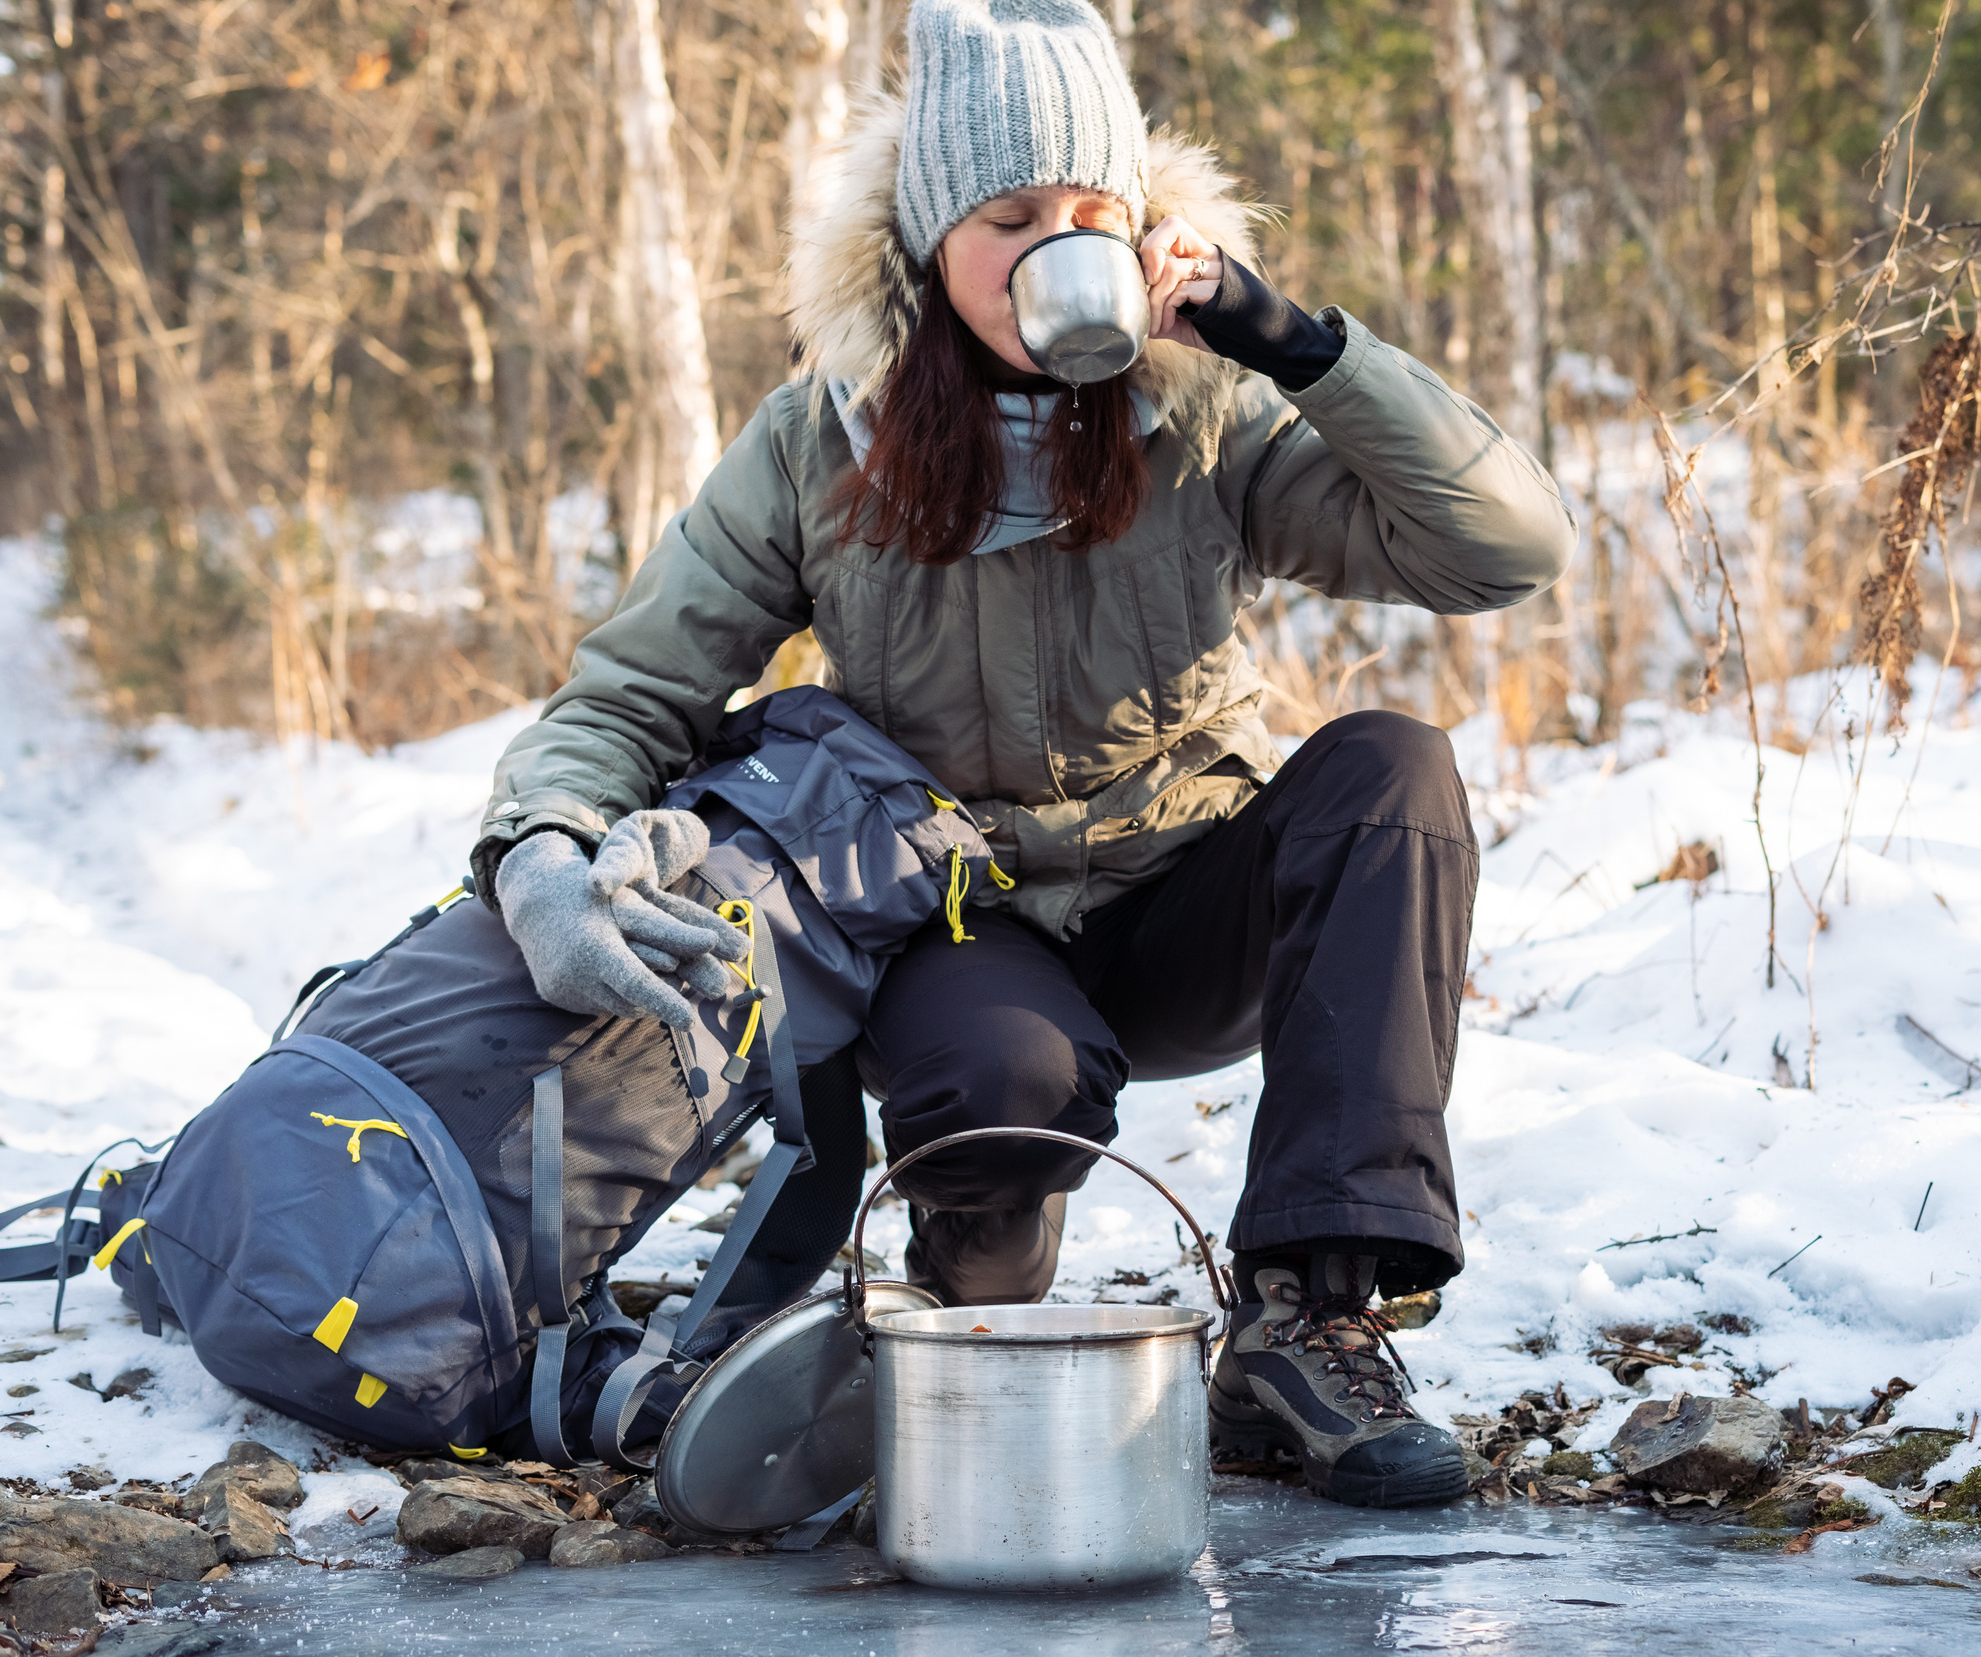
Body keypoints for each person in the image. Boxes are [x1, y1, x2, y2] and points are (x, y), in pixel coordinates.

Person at [475, 0, 1572, 1508]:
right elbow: (631, 689)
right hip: (956, 922)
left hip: (1185, 890)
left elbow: (1503, 546)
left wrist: (1301, 345)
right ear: (932, 242)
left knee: (1392, 771)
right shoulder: (822, 441)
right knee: (1008, 1089)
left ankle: (1310, 1311)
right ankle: (971, 1281)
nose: (1062, 248)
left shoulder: (1207, 410)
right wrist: (541, 846)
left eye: (1093, 215)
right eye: (1013, 219)